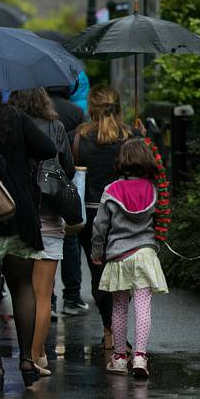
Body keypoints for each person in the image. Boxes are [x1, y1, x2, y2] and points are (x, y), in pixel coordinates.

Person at [0, 87, 56, 393]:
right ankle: (27, 362)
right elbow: (47, 148)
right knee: (23, 287)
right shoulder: (17, 117)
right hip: (19, 212)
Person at [71, 85, 141, 351]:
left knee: (98, 273)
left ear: (91, 107)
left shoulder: (77, 137)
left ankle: (110, 330)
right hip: (125, 214)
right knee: (124, 276)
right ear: (118, 106)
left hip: (89, 214)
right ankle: (117, 330)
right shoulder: (131, 137)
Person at [10, 88, 74, 377]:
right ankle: (37, 355)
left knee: (20, 291)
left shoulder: (9, 123)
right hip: (49, 217)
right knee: (43, 294)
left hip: (17, 216)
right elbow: (68, 169)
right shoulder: (56, 126)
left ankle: (25, 354)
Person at [91, 139, 167, 378]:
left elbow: (99, 226)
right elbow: (158, 219)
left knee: (120, 306)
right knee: (144, 304)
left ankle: (120, 357)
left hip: (118, 255)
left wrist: (96, 251)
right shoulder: (153, 190)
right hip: (145, 253)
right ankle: (141, 357)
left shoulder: (111, 190)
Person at [46, 85, 89, 317]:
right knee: (70, 240)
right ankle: (72, 296)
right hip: (64, 179)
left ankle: (48, 299)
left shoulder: (34, 108)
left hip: (40, 182)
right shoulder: (74, 111)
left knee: (44, 241)